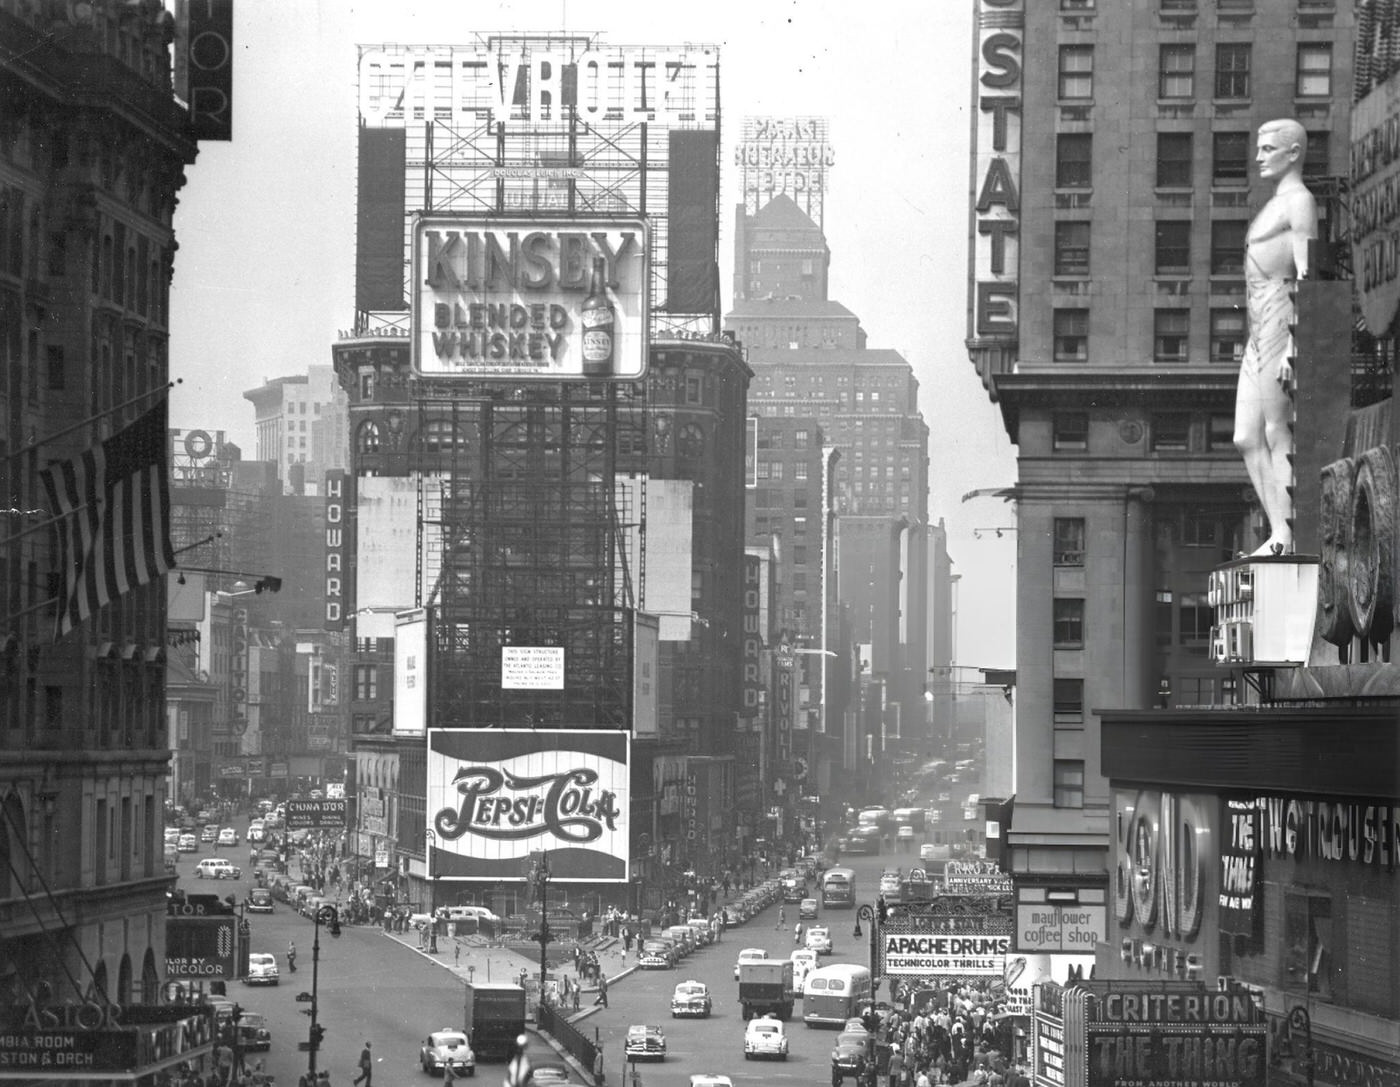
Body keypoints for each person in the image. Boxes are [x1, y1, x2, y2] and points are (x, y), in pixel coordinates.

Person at [1236, 117, 1317, 556]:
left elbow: (1307, 272)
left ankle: (1285, 536)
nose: (1258, 157)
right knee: (1245, 437)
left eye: (1268, 149)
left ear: (1293, 153)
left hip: (1280, 316)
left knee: (1275, 430)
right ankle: (1277, 530)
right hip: (1257, 325)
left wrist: (1296, 341)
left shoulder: (1300, 202)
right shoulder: (1274, 204)